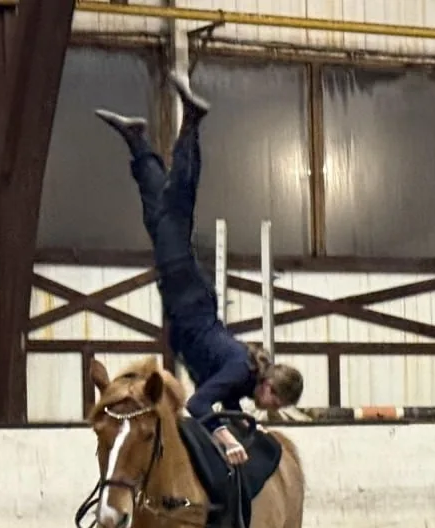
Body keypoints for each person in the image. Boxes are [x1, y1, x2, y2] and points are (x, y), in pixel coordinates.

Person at [94, 70, 303, 466]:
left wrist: (247, 430)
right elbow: (199, 403)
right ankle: (190, 122)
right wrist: (226, 439)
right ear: (271, 389)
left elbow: (227, 406)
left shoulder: (241, 382)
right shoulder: (240, 371)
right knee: (176, 209)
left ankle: (138, 141)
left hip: (187, 302)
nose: (267, 408)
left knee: (159, 218)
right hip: (189, 298)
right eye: (273, 404)